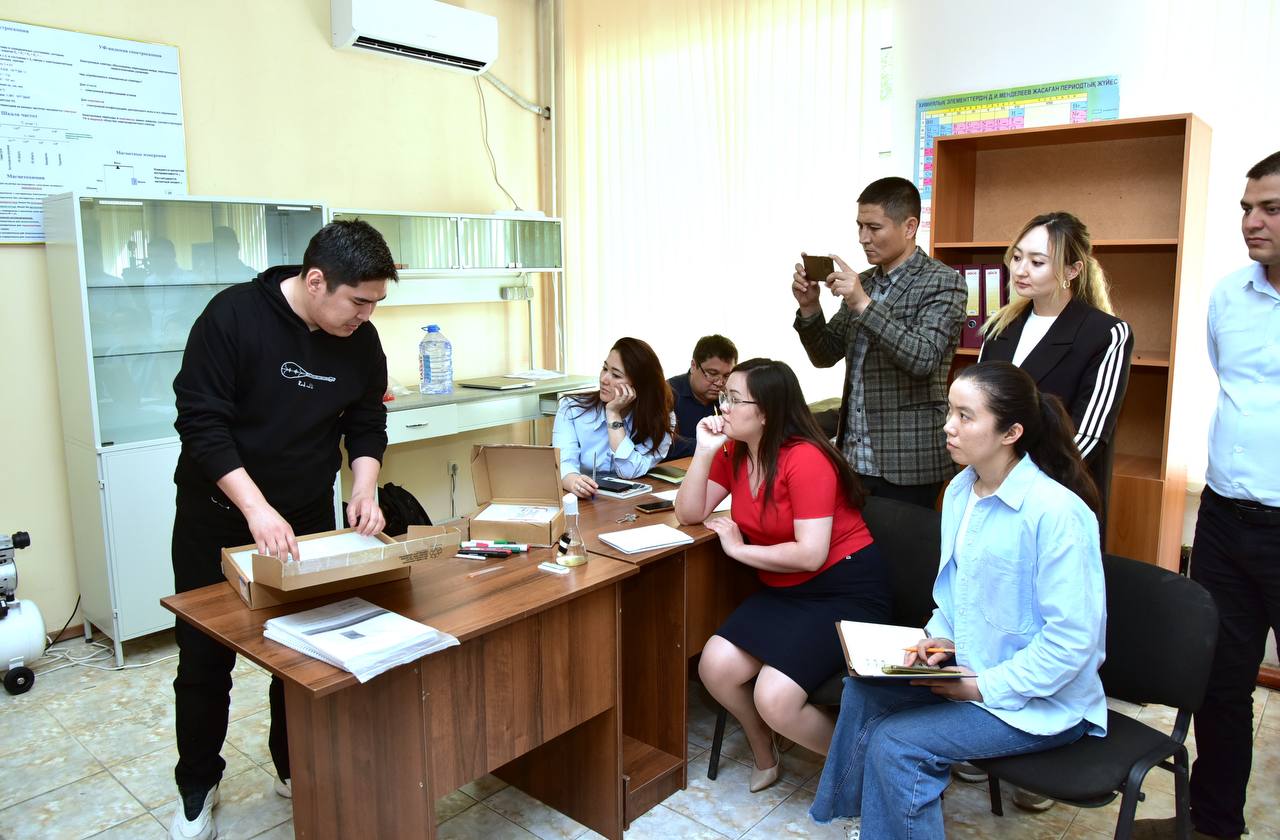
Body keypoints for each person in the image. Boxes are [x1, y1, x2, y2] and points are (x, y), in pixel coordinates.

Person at [810, 361, 1107, 840]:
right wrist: (940, 638)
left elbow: (1072, 644)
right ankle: (870, 823)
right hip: (970, 668)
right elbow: (953, 594)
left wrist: (981, 686)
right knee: (863, 690)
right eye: (950, 411)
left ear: (1011, 432)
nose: (948, 426)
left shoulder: (1057, 514)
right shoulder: (961, 490)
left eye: (965, 416)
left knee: (897, 744)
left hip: (1039, 701)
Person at [168, 219, 396, 840]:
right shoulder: (232, 318)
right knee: (204, 658)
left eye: (375, 303)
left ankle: (294, 767)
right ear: (316, 281)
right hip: (219, 517)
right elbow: (201, 422)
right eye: (359, 301)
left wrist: (364, 487)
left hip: (305, 518)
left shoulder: (360, 338)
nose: (367, 316)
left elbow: (366, 421)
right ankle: (197, 784)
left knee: (300, 652)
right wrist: (256, 509)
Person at [1135, 152, 1280, 840]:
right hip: (1225, 518)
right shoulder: (1228, 295)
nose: (1252, 222)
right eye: (1246, 208)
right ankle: (1215, 825)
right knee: (1221, 682)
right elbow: (1234, 388)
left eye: (1271, 209)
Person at [677, 358, 890, 792]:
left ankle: (872, 767)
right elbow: (689, 512)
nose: (723, 407)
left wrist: (740, 549)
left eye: (734, 399)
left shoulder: (805, 458)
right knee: (714, 667)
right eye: (724, 397)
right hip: (785, 588)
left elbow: (811, 555)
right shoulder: (736, 450)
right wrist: (704, 451)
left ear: (766, 412)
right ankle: (764, 747)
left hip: (842, 590)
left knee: (774, 697)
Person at [793, 176, 966, 509]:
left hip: (909, 462)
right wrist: (810, 308)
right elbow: (825, 355)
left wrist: (863, 304)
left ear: (910, 227)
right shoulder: (865, 282)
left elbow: (923, 358)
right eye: (859, 226)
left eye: (874, 227)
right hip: (853, 457)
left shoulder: (944, 282)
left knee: (902, 543)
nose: (863, 238)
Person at [978, 211, 1133, 538]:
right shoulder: (1000, 326)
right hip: (990, 488)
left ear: (1072, 270)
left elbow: (1087, 436)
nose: (1020, 270)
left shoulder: (1106, 333)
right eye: (1017, 257)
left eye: (1037, 262)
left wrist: (1016, 481)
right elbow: (978, 410)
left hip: (1055, 496)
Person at [554, 336, 674, 496]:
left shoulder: (660, 420)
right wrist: (574, 482)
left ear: (639, 385)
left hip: (631, 501)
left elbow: (629, 471)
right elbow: (563, 463)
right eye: (605, 368)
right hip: (583, 499)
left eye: (616, 375)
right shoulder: (571, 408)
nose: (604, 379)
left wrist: (613, 414)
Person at [665, 334, 739, 461]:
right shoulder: (666, 394)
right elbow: (662, 444)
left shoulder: (731, 396)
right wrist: (707, 445)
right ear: (693, 366)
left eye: (727, 376)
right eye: (712, 374)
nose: (720, 383)